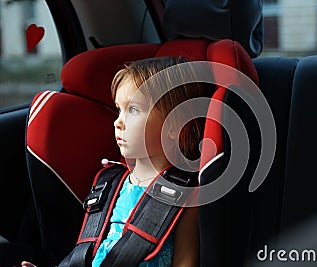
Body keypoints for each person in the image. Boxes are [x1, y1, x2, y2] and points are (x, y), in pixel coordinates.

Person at [22, 56, 214, 267]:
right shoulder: (110, 183)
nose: (118, 122)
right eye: (119, 109)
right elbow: (92, 251)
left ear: (173, 125)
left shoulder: (185, 196)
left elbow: (185, 262)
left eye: (133, 110)